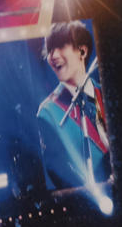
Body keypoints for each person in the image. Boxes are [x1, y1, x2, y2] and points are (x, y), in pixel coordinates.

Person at [36, 21, 112, 196]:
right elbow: (61, 174)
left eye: (61, 46)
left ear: (82, 51)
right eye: (50, 49)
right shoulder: (47, 113)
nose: (53, 55)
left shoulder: (108, 94)